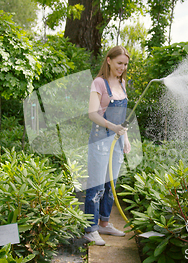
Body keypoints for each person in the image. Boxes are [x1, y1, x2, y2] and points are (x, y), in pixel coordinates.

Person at [84, 46, 131, 246]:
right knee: (96, 186)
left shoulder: (122, 82)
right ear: (109, 60)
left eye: (126, 64)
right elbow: (92, 113)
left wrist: (125, 138)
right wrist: (112, 127)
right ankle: (90, 229)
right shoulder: (99, 83)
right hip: (101, 138)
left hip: (117, 141)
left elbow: (123, 116)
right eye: (119, 63)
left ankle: (104, 223)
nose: (122, 67)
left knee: (110, 185)